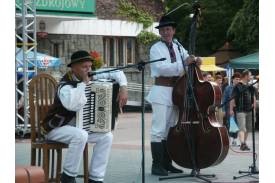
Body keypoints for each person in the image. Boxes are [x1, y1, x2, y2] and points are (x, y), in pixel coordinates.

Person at [41, 50, 128, 183]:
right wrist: (83, 84)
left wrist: (123, 87)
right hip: (55, 128)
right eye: (84, 67)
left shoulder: (90, 75)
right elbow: (73, 105)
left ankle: (95, 178)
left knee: (106, 136)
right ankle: (68, 177)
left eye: (90, 66)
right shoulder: (64, 86)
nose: (89, 70)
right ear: (74, 68)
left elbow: (117, 72)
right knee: (81, 135)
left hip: (77, 128)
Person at [146, 15, 201, 176]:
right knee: (158, 130)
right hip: (161, 91)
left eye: (168, 29)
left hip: (176, 92)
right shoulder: (156, 48)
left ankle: (167, 163)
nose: (165, 32)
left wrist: (196, 60)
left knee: (170, 129)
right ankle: (156, 165)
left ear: (173, 30)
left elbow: (187, 58)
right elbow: (162, 68)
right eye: (163, 30)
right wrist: (184, 63)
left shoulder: (177, 45)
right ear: (160, 32)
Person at [230, 70, 256, 151]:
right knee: (242, 128)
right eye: (250, 75)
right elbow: (232, 98)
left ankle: (243, 144)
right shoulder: (238, 86)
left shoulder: (250, 86)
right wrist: (231, 109)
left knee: (248, 128)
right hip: (240, 110)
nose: (251, 77)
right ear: (246, 76)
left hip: (249, 110)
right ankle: (242, 143)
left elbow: (254, 97)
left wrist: (254, 108)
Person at [222, 72, 241, 146]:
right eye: (236, 79)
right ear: (233, 80)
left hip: (238, 108)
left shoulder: (240, 88)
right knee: (230, 124)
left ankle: (235, 140)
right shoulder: (228, 88)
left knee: (236, 124)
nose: (238, 80)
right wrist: (223, 110)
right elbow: (224, 99)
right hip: (229, 108)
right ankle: (231, 139)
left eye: (239, 79)